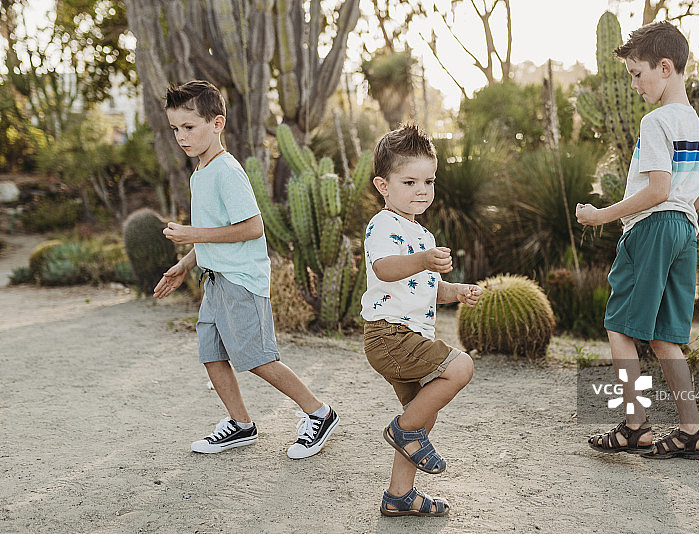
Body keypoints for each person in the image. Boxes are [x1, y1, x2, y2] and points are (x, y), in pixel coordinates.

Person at [153, 80, 338, 458]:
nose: (181, 137)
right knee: (211, 353)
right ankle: (241, 425)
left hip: (241, 281)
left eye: (189, 127)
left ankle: (319, 413)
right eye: (175, 129)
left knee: (257, 358)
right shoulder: (200, 172)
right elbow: (216, 229)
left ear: (217, 124)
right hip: (214, 280)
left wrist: (191, 234)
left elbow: (253, 227)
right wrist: (186, 263)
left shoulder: (227, 171)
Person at [576, 21, 699, 460]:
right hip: (683, 231)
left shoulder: (657, 120)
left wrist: (602, 215)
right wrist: (685, 209)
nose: (635, 84)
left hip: (653, 228)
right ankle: (691, 431)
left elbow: (657, 189)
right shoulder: (691, 121)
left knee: (619, 327)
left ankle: (635, 425)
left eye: (638, 74)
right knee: (663, 337)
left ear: (664, 67)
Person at [361, 123, 482, 516]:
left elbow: (431, 289)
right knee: (460, 366)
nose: (421, 190)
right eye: (409, 181)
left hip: (408, 336)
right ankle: (401, 429)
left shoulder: (424, 235)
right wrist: (422, 260)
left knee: (423, 417)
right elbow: (384, 268)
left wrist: (458, 290)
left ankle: (400, 496)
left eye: (428, 181)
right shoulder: (384, 224)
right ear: (383, 185)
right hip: (389, 335)